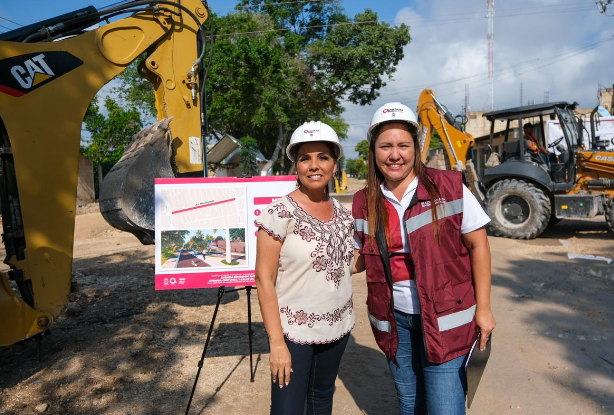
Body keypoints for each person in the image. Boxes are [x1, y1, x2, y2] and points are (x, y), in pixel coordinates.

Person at [352, 102, 496, 415]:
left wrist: (484, 309)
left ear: (416, 148)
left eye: (403, 145)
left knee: (444, 407)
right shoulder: (364, 201)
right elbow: (357, 257)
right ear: (373, 151)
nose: (394, 155)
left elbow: (479, 246)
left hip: (445, 319)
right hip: (395, 320)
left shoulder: (450, 187)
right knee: (409, 404)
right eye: (385, 146)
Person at [255, 121, 355, 415]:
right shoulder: (278, 213)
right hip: (293, 332)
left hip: (337, 326)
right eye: (305, 158)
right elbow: (264, 279)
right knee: (287, 409)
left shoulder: (342, 213)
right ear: (295, 166)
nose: (315, 165)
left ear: (335, 164)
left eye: (323, 157)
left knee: (322, 397)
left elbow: (345, 264)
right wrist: (276, 343)